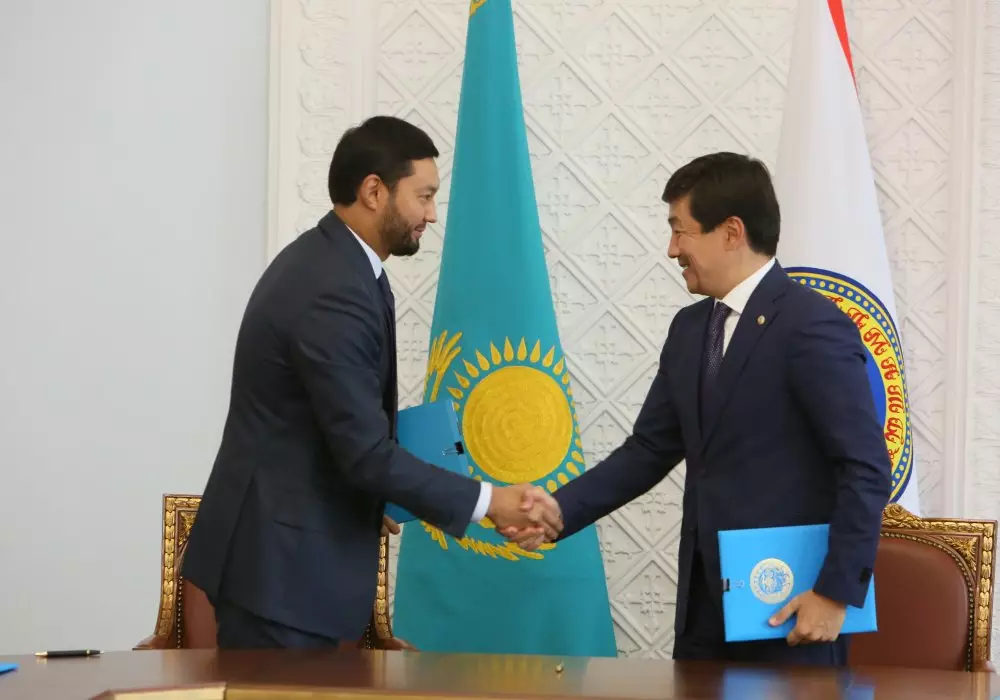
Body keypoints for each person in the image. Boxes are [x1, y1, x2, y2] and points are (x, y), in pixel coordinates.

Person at [182, 115, 562, 650]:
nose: (432, 214)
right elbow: (364, 453)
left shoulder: (341, 266)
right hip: (280, 577)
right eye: (424, 196)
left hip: (291, 567)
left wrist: (375, 496)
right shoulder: (332, 288)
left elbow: (332, 431)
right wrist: (488, 501)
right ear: (374, 191)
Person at [505, 152, 891, 666]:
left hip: (793, 608)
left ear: (731, 232)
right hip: (705, 607)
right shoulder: (690, 329)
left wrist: (835, 592)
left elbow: (865, 466)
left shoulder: (811, 325)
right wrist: (559, 510)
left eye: (679, 231)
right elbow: (649, 449)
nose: (672, 249)